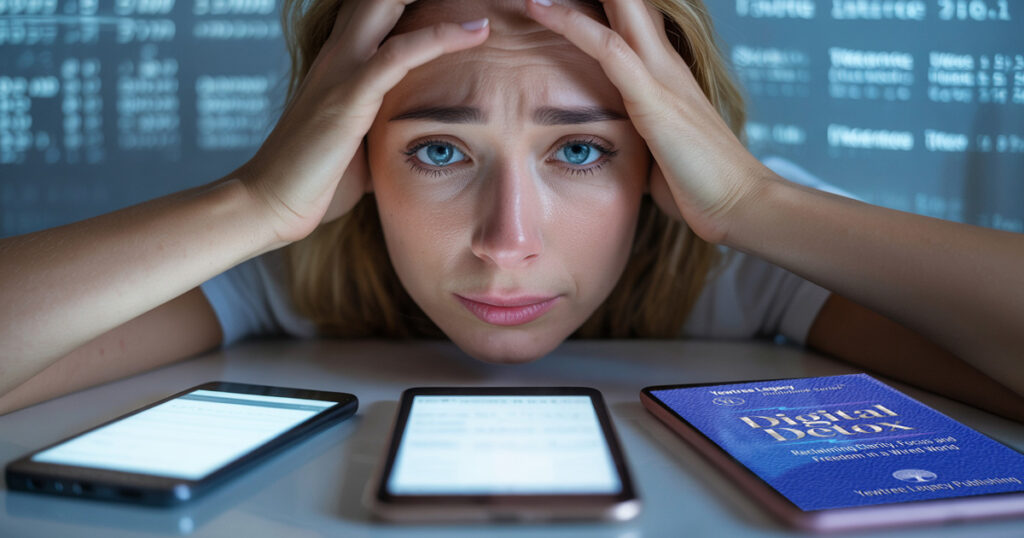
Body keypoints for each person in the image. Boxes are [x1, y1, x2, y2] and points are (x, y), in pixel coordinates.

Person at [1, 0, 1022, 421]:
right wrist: (257, 201)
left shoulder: (746, 254)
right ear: (347, 154)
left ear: (668, 161)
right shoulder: (293, 248)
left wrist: (755, 201)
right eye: (438, 150)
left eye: (580, 150)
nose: (506, 245)